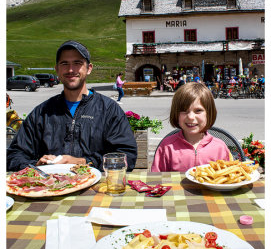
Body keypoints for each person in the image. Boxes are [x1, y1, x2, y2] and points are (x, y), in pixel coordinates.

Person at [7, 40, 137, 172]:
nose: (70, 70)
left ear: (89, 68)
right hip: (51, 188)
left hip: (95, 190)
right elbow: (14, 155)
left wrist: (84, 162)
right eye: (64, 64)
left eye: (77, 63)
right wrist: (37, 166)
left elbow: (127, 156)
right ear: (57, 69)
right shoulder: (42, 112)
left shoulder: (109, 109)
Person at [151, 82, 232, 172]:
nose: (190, 117)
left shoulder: (220, 147)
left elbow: (228, 178)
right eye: (184, 111)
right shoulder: (166, 147)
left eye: (198, 111)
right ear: (176, 113)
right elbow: (156, 179)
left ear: (209, 113)